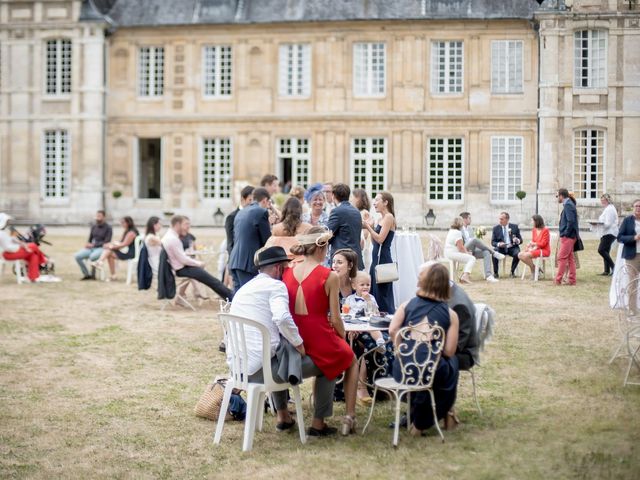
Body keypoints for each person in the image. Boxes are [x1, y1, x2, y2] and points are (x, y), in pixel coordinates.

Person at [229, 246, 323, 433]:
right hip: (260, 371)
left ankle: (283, 416)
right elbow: (281, 318)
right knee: (324, 365)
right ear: (279, 268)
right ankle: (319, 423)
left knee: (279, 357)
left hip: (238, 368)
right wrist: (299, 343)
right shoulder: (276, 286)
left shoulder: (246, 288)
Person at [283, 227, 359, 436]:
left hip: (294, 338)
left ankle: (320, 421)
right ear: (321, 246)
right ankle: (349, 416)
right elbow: (335, 318)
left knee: (330, 362)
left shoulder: (288, 271)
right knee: (350, 359)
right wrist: (342, 337)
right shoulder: (329, 276)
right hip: (318, 337)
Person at [389, 262, 459, 436]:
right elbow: (449, 350)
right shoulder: (451, 314)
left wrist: (401, 350)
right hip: (429, 371)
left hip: (403, 370)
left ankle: (418, 418)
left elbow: (392, 330)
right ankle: (423, 423)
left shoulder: (406, 305)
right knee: (451, 366)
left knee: (430, 369)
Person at [163, 215, 233, 300]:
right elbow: (183, 260)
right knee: (212, 281)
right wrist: (199, 263)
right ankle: (231, 297)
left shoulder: (169, 236)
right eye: (186, 224)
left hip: (180, 268)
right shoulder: (173, 239)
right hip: (182, 269)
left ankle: (228, 296)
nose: (188, 227)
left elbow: (181, 257)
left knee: (212, 280)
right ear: (177, 224)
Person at [228, 187, 272, 291]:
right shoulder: (261, 212)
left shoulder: (241, 212)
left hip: (234, 261)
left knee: (238, 298)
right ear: (265, 200)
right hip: (248, 263)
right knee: (249, 296)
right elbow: (267, 240)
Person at [363, 191, 396, 313]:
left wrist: (368, 227)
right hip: (376, 260)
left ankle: (387, 323)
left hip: (383, 260)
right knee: (375, 293)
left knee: (383, 295)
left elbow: (381, 239)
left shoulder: (389, 217)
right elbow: (375, 241)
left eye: (377, 200)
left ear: (386, 202)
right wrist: (371, 225)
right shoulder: (381, 219)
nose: (374, 203)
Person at [0, 213, 54, 283]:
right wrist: (20, 247)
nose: (8, 223)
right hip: (8, 254)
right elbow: (8, 247)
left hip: (14, 251)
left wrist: (22, 244)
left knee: (33, 255)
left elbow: (12, 240)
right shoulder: (1, 233)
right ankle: (43, 260)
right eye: (7, 221)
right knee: (33, 246)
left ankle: (33, 278)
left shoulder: (4, 232)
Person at [328, 183, 364, 270]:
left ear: (333, 196)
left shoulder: (336, 211)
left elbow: (328, 235)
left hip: (342, 259)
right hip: (356, 258)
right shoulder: (356, 211)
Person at [459, 212, 503, 283]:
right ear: (464, 219)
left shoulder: (470, 229)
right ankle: (494, 252)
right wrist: (467, 251)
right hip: (464, 250)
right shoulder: (459, 229)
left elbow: (474, 242)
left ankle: (488, 276)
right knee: (474, 240)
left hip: (472, 250)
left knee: (486, 252)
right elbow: (459, 244)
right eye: (469, 218)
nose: (471, 220)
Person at [92, 216, 139, 281]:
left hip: (130, 253)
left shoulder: (131, 233)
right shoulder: (127, 231)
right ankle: (109, 271)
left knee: (109, 250)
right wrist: (112, 244)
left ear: (128, 223)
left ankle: (100, 262)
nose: (122, 224)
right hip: (125, 251)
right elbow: (120, 242)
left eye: (123, 222)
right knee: (109, 253)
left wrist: (112, 246)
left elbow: (124, 244)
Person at [74, 210, 112, 280]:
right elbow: (90, 238)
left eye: (100, 216)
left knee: (92, 257)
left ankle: (93, 274)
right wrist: (88, 244)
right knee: (77, 256)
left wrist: (94, 245)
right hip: (91, 248)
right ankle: (87, 274)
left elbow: (106, 242)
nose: (98, 218)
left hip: (101, 248)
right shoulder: (94, 226)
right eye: (97, 216)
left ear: (104, 217)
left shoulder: (108, 228)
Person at [617, 198, 640, 312]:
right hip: (633, 255)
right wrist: (633, 238)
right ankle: (632, 309)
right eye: (636, 206)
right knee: (632, 283)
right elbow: (620, 237)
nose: (638, 208)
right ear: (633, 208)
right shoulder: (627, 221)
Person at [555, 188, 579, 286]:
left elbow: (571, 221)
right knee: (570, 258)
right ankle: (572, 280)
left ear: (561, 195)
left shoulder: (568, 204)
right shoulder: (568, 204)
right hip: (570, 236)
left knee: (561, 257)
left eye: (557, 196)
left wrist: (565, 233)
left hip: (568, 236)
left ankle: (558, 280)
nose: (557, 198)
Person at [444, 216, 476, 285]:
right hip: (452, 254)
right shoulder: (457, 232)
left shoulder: (451, 231)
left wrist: (466, 252)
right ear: (460, 223)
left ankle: (464, 276)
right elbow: (461, 248)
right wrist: (467, 253)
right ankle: (465, 276)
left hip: (448, 253)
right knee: (472, 258)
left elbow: (460, 247)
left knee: (469, 257)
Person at [225, 186, 255, 258]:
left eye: (254, 200)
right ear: (242, 199)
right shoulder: (231, 217)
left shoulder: (256, 216)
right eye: (250, 200)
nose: (252, 203)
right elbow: (230, 243)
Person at [491, 211, 522, 278]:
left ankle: (512, 272)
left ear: (507, 219)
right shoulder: (495, 228)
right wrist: (499, 244)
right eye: (499, 219)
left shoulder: (514, 227)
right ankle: (496, 273)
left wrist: (517, 240)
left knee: (518, 253)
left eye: (502, 219)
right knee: (494, 253)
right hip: (501, 248)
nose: (500, 221)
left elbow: (521, 240)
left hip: (512, 247)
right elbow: (493, 242)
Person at [352, 189, 374, 272]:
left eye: (353, 197)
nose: (351, 200)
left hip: (364, 249)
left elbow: (365, 234)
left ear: (358, 199)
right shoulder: (357, 212)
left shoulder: (364, 213)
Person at [598, 194, 619, 276]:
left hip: (610, 232)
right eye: (601, 200)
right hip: (607, 232)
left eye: (604, 200)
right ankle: (606, 270)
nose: (602, 202)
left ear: (608, 200)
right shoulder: (608, 208)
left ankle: (614, 268)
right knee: (606, 251)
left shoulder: (610, 209)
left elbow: (608, 224)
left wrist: (597, 224)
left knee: (601, 250)